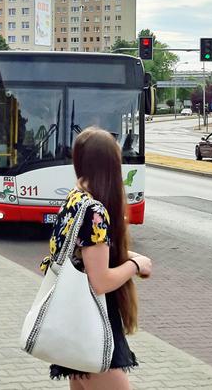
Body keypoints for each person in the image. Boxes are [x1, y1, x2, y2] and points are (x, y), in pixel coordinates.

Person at [40, 126, 152, 389]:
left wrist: (130, 257)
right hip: (89, 326)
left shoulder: (75, 200)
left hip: (74, 320)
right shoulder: (95, 211)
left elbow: (86, 252)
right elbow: (99, 281)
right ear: (112, 166)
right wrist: (134, 265)